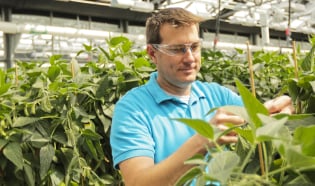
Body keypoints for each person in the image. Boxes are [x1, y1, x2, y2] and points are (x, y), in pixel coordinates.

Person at [110, 7, 294, 186]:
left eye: (195, 47)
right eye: (177, 49)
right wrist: (203, 140)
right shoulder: (132, 109)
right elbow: (138, 182)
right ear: (152, 53)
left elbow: (258, 118)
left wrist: (278, 111)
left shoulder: (217, 95)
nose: (190, 58)